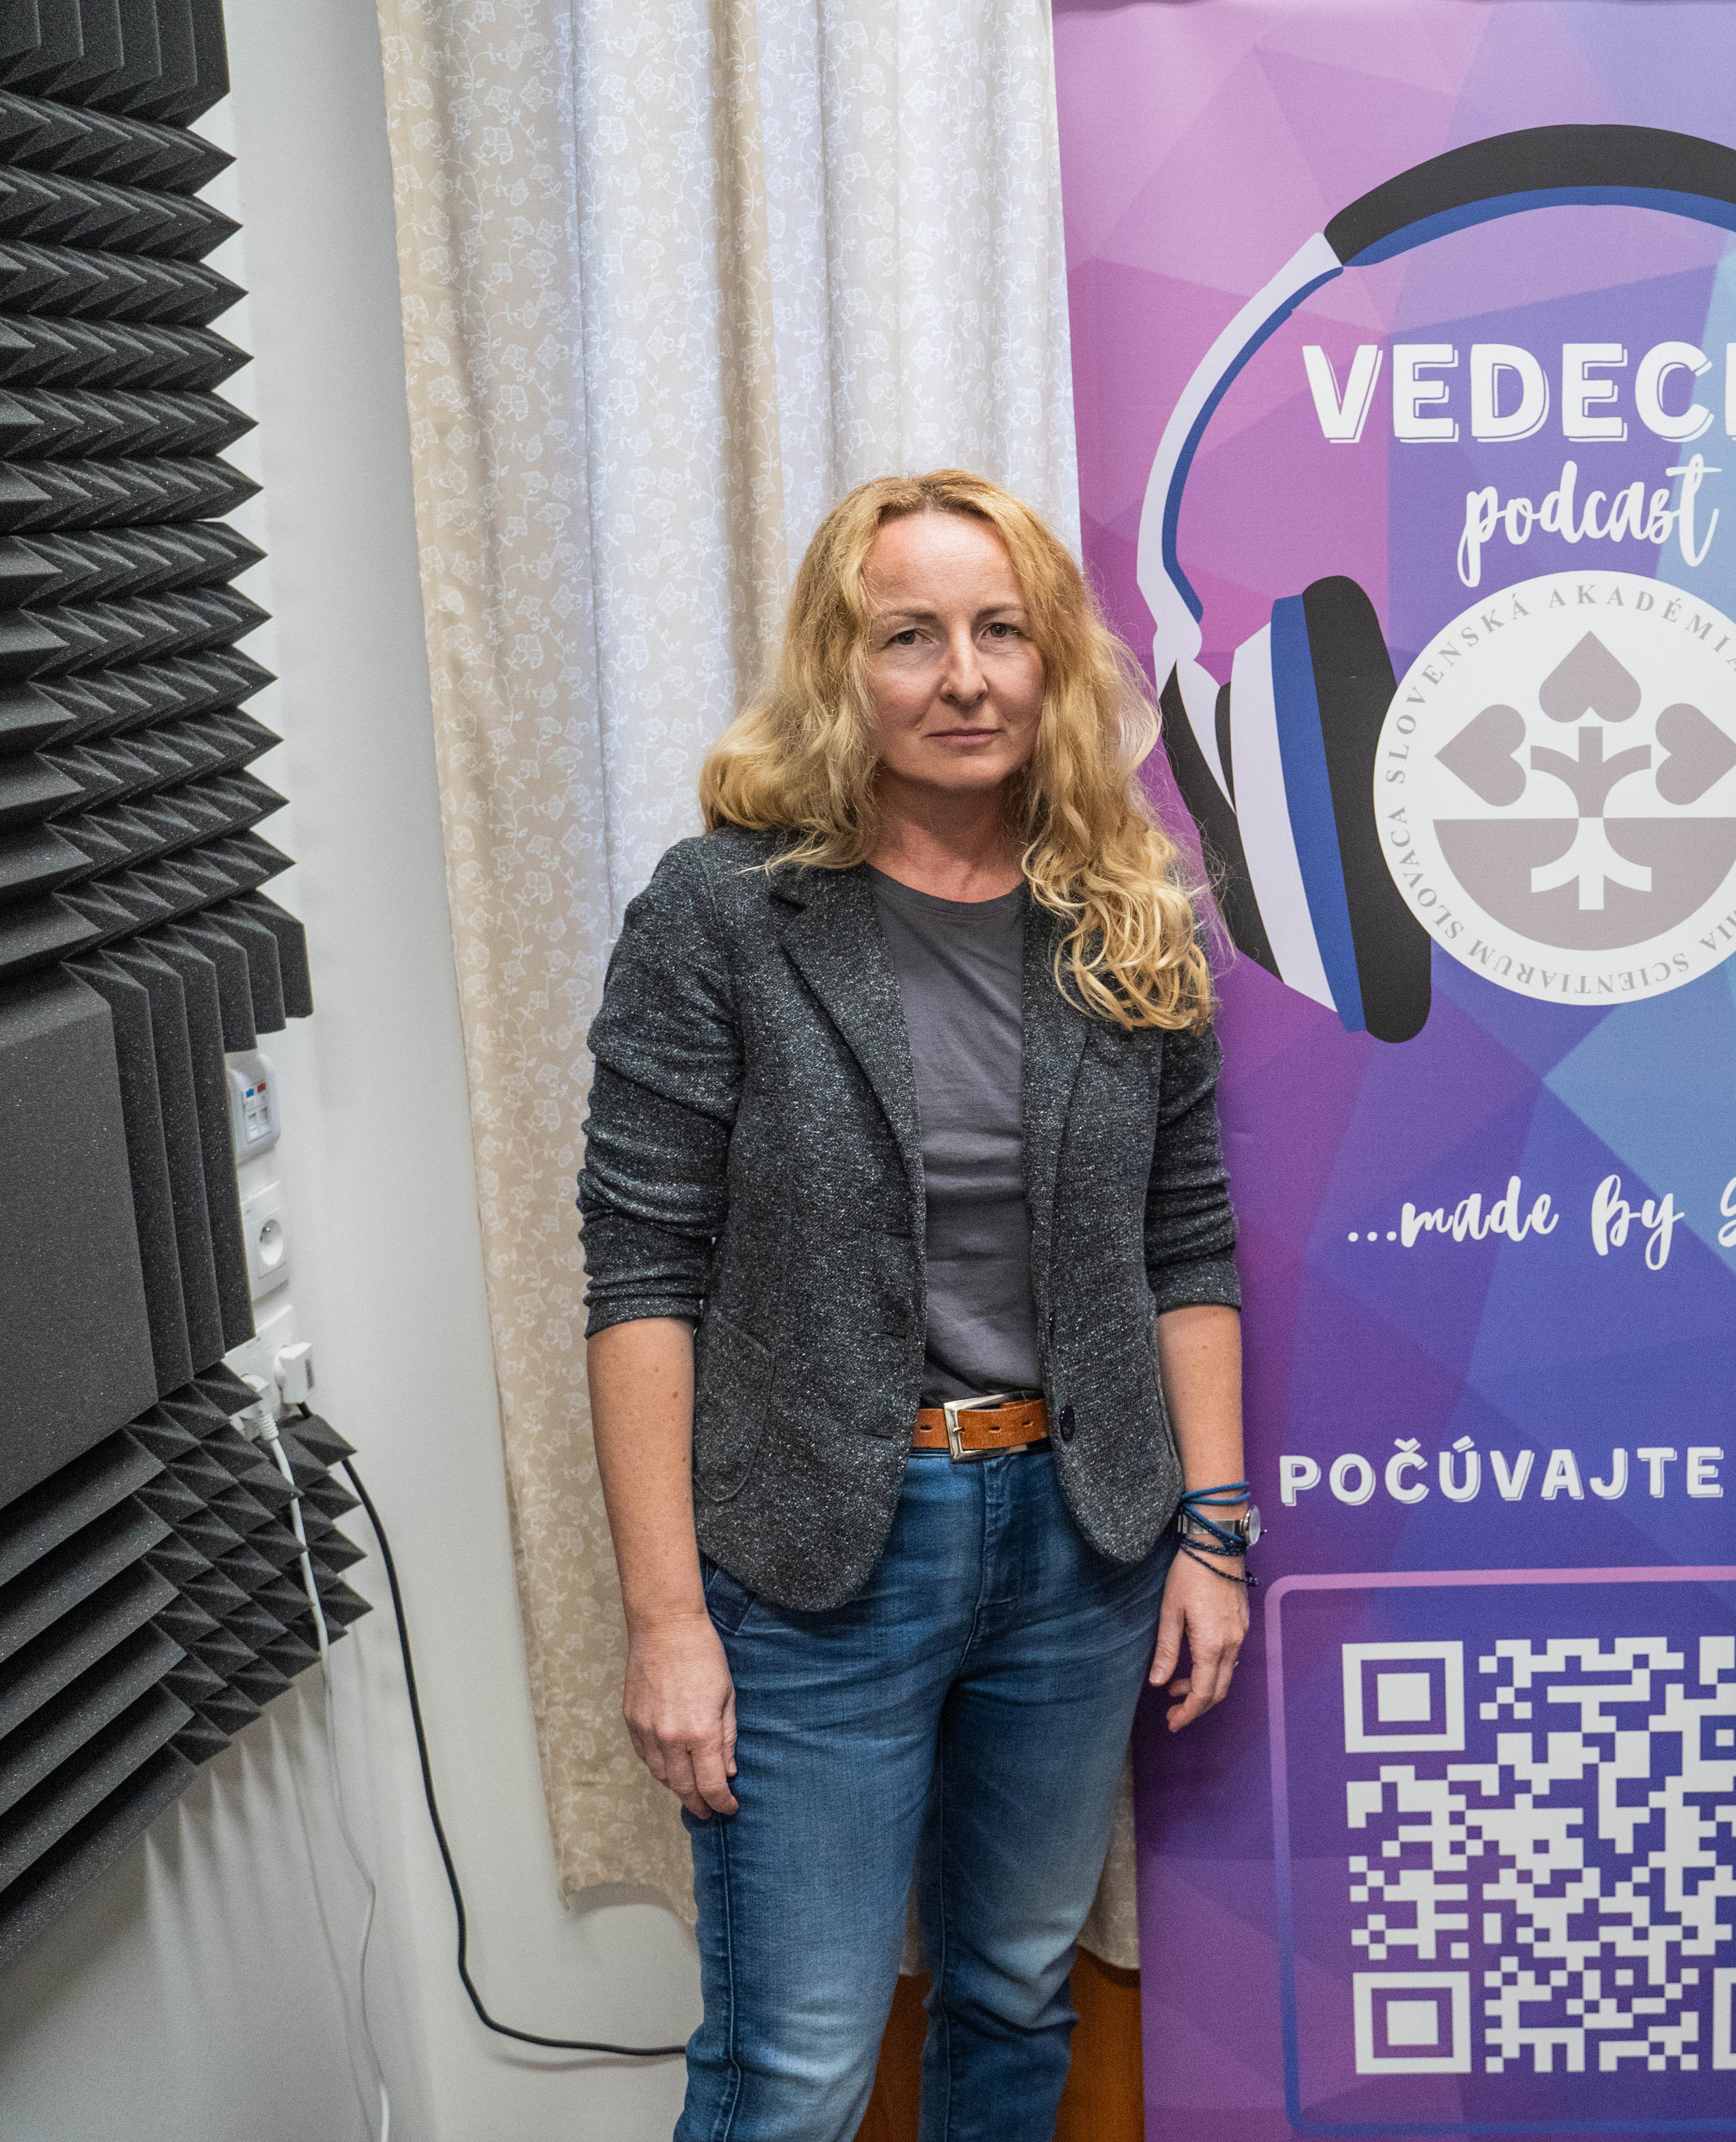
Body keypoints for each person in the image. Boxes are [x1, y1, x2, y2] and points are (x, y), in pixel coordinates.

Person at [578, 470, 1258, 2142]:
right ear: (842, 667)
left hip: (1079, 1547)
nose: (964, 678)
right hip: (823, 1560)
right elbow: (643, 1276)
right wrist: (668, 1624)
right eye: (911, 637)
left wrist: (1217, 1529)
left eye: (1001, 632)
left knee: (1017, 1992)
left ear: (1053, 661)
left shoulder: (1127, 910)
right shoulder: (722, 914)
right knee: (798, 2065)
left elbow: (1186, 1244)